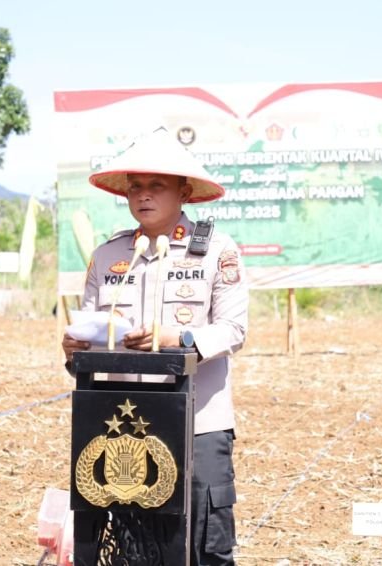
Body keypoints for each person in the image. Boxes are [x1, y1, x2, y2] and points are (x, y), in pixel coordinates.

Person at [62, 128, 248, 565]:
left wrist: (174, 339)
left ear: (183, 191)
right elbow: (89, 334)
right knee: (129, 546)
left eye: (156, 186)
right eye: (136, 187)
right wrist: (74, 350)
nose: (143, 196)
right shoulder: (107, 257)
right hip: (118, 426)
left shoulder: (217, 251)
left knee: (204, 546)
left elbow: (233, 329)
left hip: (198, 421)